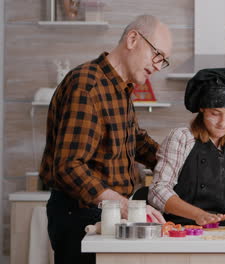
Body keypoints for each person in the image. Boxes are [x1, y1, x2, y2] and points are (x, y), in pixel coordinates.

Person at [39, 14, 172, 264]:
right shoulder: (87, 85)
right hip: (80, 215)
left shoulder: (120, 89)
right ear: (133, 39)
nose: (158, 65)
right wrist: (126, 207)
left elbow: (136, 141)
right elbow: (69, 167)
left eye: (163, 60)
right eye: (157, 54)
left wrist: (180, 159)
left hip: (105, 214)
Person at [148, 68, 225, 226]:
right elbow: (158, 190)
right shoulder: (181, 138)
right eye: (215, 113)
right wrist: (198, 214)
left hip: (224, 235)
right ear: (202, 110)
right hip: (179, 232)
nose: (223, 123)